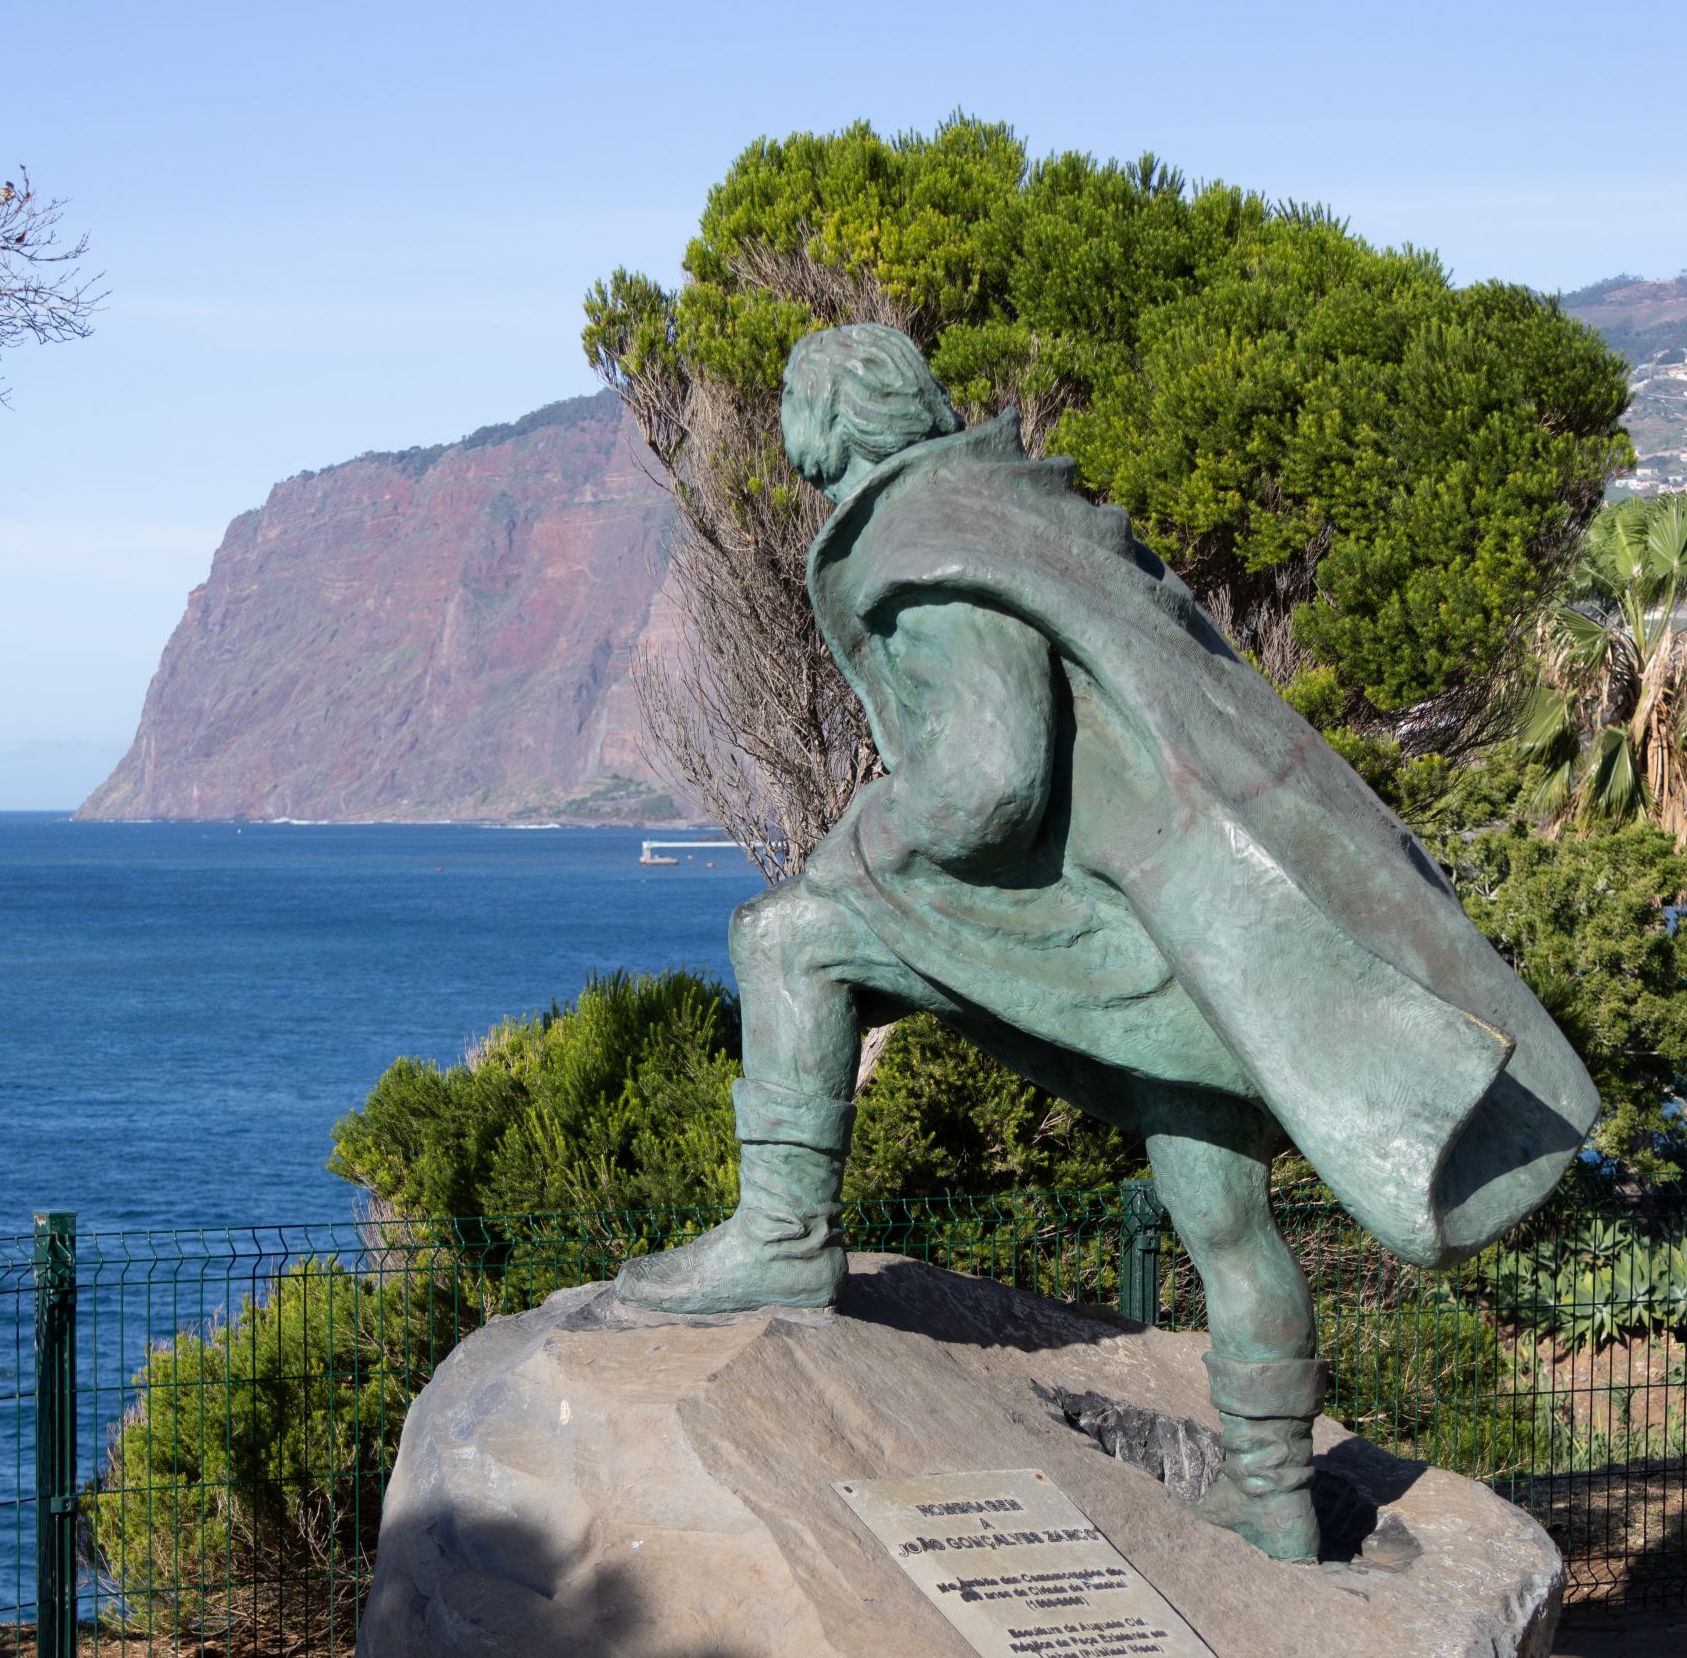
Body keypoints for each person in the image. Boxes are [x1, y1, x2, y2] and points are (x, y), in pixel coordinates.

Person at [617, 325, 1597, 1561]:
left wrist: (851, 845)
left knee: (787, 940)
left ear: (830, 420)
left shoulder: (929, 543)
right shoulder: (1025, 508)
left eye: (790, 407)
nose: (781, 435)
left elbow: (987, 785)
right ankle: (1272, 1490)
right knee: (1222, 1212)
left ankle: (783, 1238)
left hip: (1084, 916)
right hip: (1186, 932)